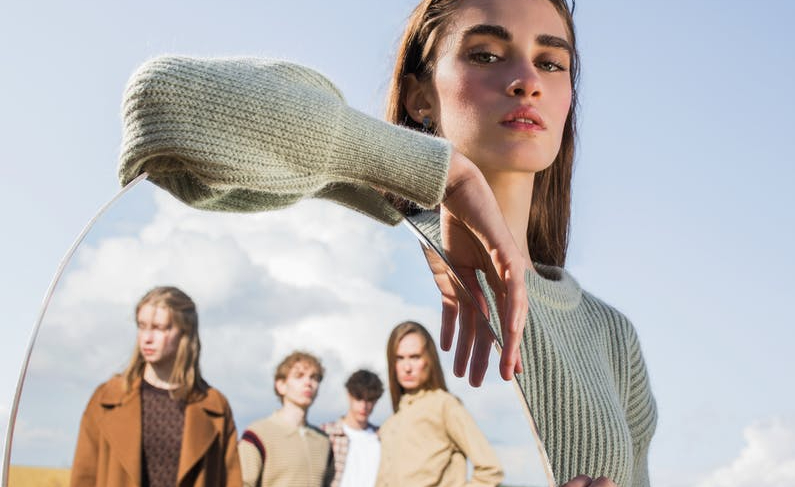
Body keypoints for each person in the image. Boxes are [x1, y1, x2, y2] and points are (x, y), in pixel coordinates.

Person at [117, 0, 658, 484]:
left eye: (551, 62)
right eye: (487, 55)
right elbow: (160, 104)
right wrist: (443, 176)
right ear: (421, 96)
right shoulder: (378, 240)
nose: (525, 80)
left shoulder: (612, 336)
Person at [70, 286, 241, 487]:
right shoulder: (107, 398)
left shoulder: (214, 407)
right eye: (142, 326)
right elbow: (83, 477)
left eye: (159, 328)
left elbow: (230, 481)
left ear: (185, 333)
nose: (147, 338)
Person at [377, 321, 503, 486]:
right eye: (400, 358)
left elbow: (490, 470)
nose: (407, 367)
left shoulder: (445, 405)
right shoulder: (389, 424)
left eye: (415, 357)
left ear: (429, 359)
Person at [239, 351, 334, 487]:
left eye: (314, 377)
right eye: (299, 376)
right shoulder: (257, 434)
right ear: (281, 385)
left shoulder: (323, 441)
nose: (308, 382)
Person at [321, 369, 385, 487]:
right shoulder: (327, 433)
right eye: (359, 398)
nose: (364, 406)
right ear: (349, 395)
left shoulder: (383, 438)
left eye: (369, 400)